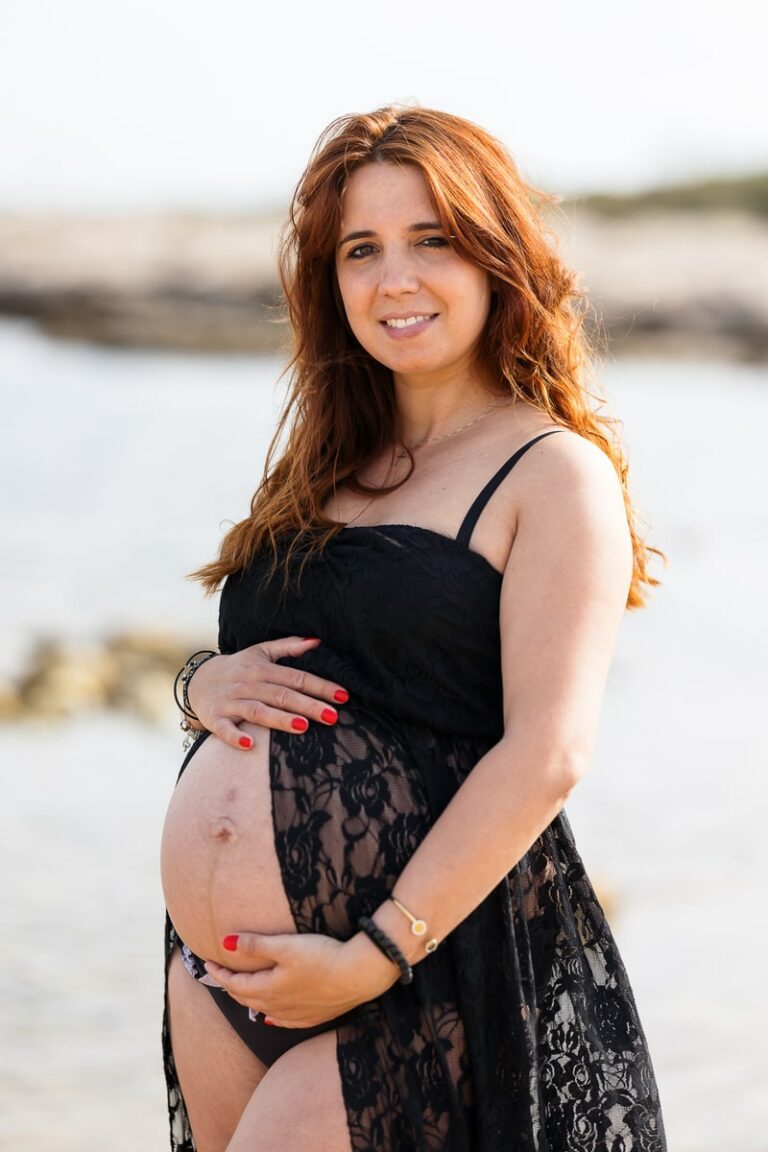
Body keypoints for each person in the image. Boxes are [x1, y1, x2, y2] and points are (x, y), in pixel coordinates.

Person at [159, 105, 667, 1152]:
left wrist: (376, 952)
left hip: (424, 982)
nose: (394, 279)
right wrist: (200, 687)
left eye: (430, 239)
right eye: (361, 249)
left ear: (495, 256)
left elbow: (549, 753)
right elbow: (302, 667)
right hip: (228, 976)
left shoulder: (550, 472)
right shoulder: (323, 467)